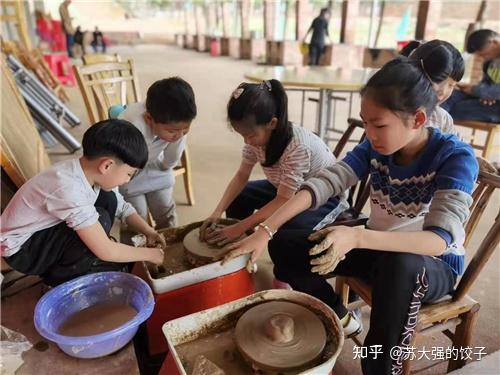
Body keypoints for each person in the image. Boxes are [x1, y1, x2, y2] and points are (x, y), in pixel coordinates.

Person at [222, 58, 478, 374]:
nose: (369, 134)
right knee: (286, 247)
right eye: (365, 122)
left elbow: (438, 241)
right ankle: (341, 318)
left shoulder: (455, 158)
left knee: (400, 267)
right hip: (378, 247)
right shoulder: (376, 146)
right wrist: (265, 230)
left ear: (418, 119)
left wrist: (354, 235)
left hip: (432, 266)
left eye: (379, 124)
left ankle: (380, 369)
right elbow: (326, 181)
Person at [0, 120, 166, 286]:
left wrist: (148, 231)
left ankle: (82, 257)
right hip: (22, 250)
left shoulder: (86, 171)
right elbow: (106, 250)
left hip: (42, 232)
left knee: (108, 200)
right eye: (129, 174)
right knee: (99, 225)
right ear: (107, 165)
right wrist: (150, 255)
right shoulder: (68, 188)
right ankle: (58, 282)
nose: (127, 180)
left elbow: (122, 208)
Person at [199, 79, 347, 262]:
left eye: (250, 135)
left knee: (285, 231)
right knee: (241, 195)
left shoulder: (297, 147)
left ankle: (281, 271)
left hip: (323, 197)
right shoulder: (255, 141)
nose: (246, 141)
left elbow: (284, 199)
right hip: (287, 189)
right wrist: (217, 212)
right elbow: (241, 176)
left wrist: (243, 227)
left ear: (272, 123)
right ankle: (241, 245)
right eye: (242, 135)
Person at [117, 77, 197, 229]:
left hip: (156, 165)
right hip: (128, 172)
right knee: (136, 218)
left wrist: (167, 165)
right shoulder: (131, 126)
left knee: (165, 210)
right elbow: (120, 163)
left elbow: (172, 158)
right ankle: (135, 252)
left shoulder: (177, 126)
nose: (179, 135)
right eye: (172, 131)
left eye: (185, 129)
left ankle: (169, 243)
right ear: (149, 119)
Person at [401, 39, 465, 136]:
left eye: (451, 85)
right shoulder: (393, 111)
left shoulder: (443, 119)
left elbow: (457, 147)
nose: (443, 92)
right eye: (438, 81)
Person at [441, 29, 500, 123]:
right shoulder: (490, 61)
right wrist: (484, 94)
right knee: (449, 96)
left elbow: (491, 91)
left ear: (494, 42)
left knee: (458, 108)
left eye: (485, 54)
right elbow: (487, 85)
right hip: (489, 99)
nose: (483, 58)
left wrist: (476, 90)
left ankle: (437, 125)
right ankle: (437, 124)